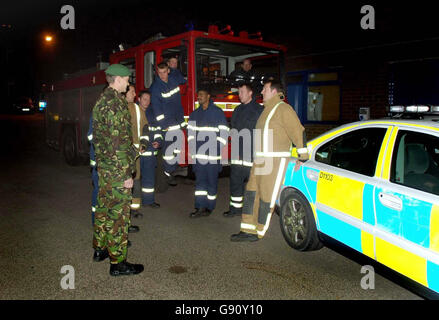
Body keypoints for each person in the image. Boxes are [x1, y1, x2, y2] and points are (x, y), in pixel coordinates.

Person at [230, 79, 309, 242]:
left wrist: (303, 157)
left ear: (274, 91)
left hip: (274, 161)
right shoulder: (267, 110)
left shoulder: (283, 109)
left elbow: (297, 131)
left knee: (266, 198)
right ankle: (247, 229)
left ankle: (258, 231)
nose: (262, 92)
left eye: (265, 89)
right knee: (251, 194)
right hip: (259, 160)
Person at [92, 63, 143, 276]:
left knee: (103, 209)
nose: (129, 83)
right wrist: (126, 174)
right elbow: (117, 143)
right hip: (116, 170)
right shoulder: (115, 104)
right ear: (119, 80)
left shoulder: (102, 101)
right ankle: (118, 263)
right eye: (127, 79)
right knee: (119, 215)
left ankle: (100, 249)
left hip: (104, 168)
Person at [223, 83, 263, 218]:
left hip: (251, 155)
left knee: (253, 186)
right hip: (237, 154)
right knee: (235, 183)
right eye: (238, 92)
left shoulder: (259, 110)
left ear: (250, 93)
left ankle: (252, 211)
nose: (239, 95)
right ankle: (235, 209)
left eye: (242, 92)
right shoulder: (238, 110)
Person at [188, 88, 229, 218]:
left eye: (201, 94)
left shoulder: (217, 112)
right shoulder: (194, 114)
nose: (199, 97)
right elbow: (191, 135)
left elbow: (224, 132)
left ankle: (209, 207)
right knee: (200, 183)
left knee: (212, 183)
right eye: (198, 95)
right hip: (199, 157)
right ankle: (200, 207)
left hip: (213, 156)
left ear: (208, 96)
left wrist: (216, 146)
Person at [150, 62, 186, 186]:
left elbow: (178, 104)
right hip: (166, 124)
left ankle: (172, 169)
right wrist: (163, 124)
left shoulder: (174, 81)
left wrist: (181, 121)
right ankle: (168, 172)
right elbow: (156, 109)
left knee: (177, 147)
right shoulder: (155, 88)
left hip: (175, 121)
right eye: (159, 73)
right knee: (168, 150)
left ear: (168, 71)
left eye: (164, 72)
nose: (162, 75)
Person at [125, 84, 147, 222]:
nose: (134, 94)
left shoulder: (137, 109)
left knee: (136, 181)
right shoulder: (118, 108)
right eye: (132, 92)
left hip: (136, 156)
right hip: (123, 154)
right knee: (124, 183)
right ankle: (124, 211)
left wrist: (144, 143)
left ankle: (135, 209)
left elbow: (145, 128)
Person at [138, 89, 161, 209]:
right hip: (137, 152)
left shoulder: (152, 113)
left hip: (150, 152)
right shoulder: (133, 112)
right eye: (144, 99)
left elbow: (157, 130)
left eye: (149, 100)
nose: (147, 102)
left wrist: (158, 141)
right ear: (139, 99)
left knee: (149, 178)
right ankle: (133, 204)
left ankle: (149, 200)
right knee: (134, 179)